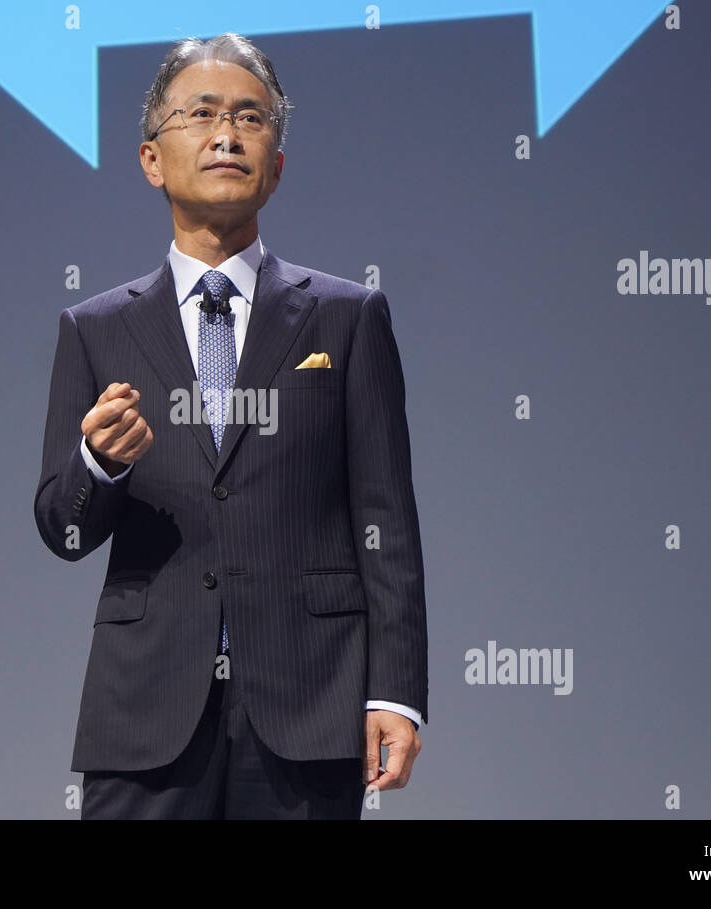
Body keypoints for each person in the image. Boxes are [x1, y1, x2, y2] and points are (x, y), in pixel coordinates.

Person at [33, 32, 427, 819]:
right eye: (202, 114)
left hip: (307, 703)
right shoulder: (95, 327)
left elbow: (386, 519)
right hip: (146, 710)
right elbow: (60, 528)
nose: (226, 134)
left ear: (276, 165)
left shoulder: (347, 317)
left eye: (251, 118)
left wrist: (397, 691)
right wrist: (98, 464)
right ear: (152, 158)